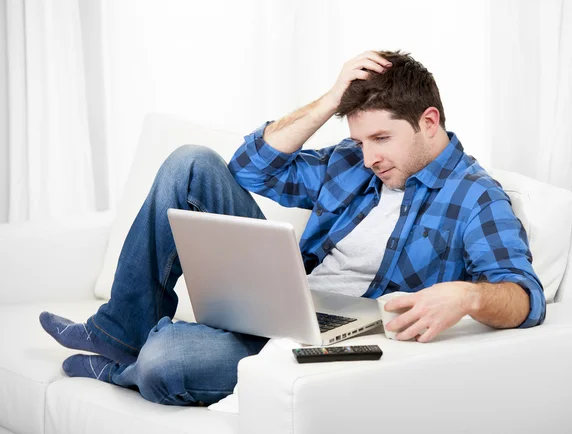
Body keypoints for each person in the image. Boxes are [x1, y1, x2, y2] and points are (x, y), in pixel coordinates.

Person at [40, 50, 546, 407]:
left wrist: (467, 297)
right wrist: (329, 100)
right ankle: (120, 332)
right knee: (189, 163)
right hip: (282, 300)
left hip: (340, 344)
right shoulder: (353, 160)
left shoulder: (476, 196)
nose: (369, 156)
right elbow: (250, 167)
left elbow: (525, 297)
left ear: (429, 122)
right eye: (359, 139)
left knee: (164, 366)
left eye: (381, 138)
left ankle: (125, 367)